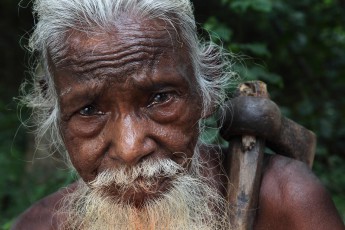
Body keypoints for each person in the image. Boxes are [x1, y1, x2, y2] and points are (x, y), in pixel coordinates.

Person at [13, 0, 344, 229]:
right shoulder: (37, 226)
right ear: (55, 111)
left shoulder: (285, 202)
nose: (129, 149)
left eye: (159, 98)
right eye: (89, 110)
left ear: (207, 89)